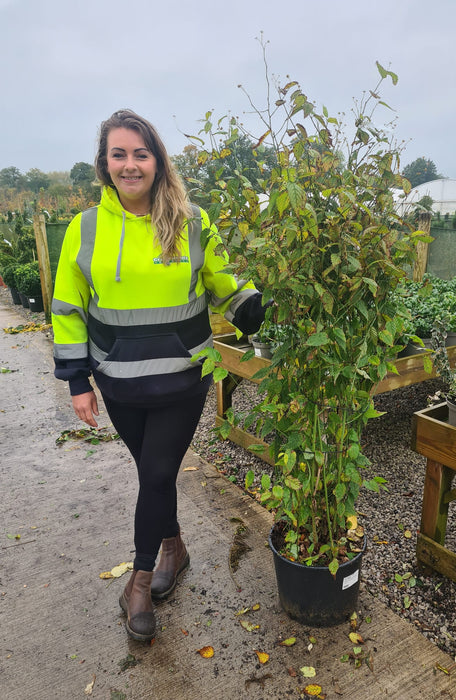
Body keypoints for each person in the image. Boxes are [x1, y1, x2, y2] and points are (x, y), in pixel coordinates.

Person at [52, 109, 269, 642]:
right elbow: (67, 306)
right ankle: (174, 545)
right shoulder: (85, 229)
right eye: (119, 154)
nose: (130, 165)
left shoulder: (191, 220)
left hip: (181, 378)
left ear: (157, 160)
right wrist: (78, 379)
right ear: (104, 162)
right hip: (118, 382)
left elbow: (222, 280)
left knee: (154, 476)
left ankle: (140, 582)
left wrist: (255, 306)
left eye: (140, 153)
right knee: (157, 474)